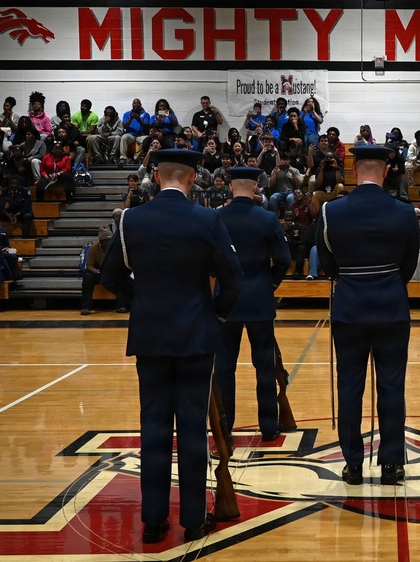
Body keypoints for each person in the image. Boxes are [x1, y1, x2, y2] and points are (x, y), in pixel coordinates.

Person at [99, 148, 244, 544]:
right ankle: (195, 519)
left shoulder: (131, 220)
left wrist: (139, 301)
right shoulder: (208, 218)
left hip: (150, 336)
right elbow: (233, 280)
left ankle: (153, 520)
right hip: (196, 336)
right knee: (193, 430)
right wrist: (214, 315)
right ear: (192, 179)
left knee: (154, 428)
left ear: (157, 176)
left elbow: (110, 275)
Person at [316, 145, 420, 486]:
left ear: (354, 170)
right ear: (387, 171)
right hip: (391, 306)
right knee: (392, 388)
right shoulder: (404, 212)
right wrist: (388, 281)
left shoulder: (332, 210)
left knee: (349, 389)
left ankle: (353, 464)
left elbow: (328, 264)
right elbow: (408, 262)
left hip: (349, 308)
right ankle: (392, 464)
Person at [214, 166, 291, 437]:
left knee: (224, 366)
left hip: (226, 301)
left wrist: (222, 278)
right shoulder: (268, 218)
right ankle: (269, 427)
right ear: (256, 187)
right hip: (259, 299)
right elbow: (284, 260)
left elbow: (210, 261)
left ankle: (224, 426)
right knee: (264, 366)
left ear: (231, 187)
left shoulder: (217, 217)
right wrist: (269, 284)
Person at [80, 227, 128, 314]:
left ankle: (120, 305)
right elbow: (89, 266)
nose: (108, 243)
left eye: (109, 240)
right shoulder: (93, 249)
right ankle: (86, 307)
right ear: (101, 241)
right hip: (98, 273)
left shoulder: (116, 249)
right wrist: (99, 272)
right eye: (105, 241)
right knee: (87, 277)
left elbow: (120, 264)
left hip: (112, 273)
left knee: (122, 277)